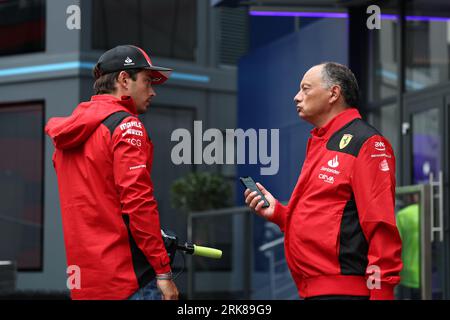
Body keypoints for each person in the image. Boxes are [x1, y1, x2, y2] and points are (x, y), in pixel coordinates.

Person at [244, 62, 403, 300]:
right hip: (315, 291)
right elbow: (328, 219)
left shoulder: (366, 142)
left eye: (305, 88)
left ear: (334, 93)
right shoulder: (321, 142)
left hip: (345, 292)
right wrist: (278, 213)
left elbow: (380, 225)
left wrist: (382, 293)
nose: (297, 97)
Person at [45, 45, 179, 300]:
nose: (152, 92)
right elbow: (139, 204)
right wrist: (163, 272)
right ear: (123, 80)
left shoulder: (69, 135)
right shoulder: (127, 126)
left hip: (86, 285)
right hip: (128, 281)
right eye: (147, 81)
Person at [396, 194, 420, 299]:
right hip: (430, 274)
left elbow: (395, 244)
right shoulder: (432, 214)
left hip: (407, 273)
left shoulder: (403, 215)